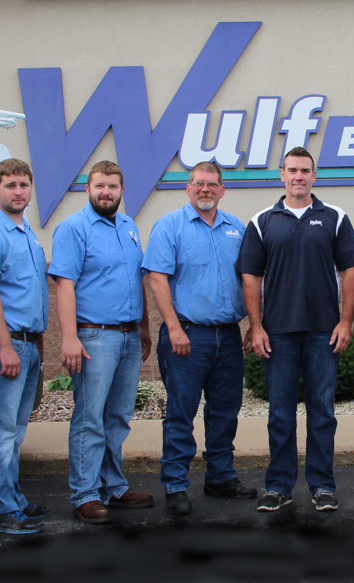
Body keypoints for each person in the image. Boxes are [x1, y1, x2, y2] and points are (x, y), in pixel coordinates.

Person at [236, 146, 354, 512]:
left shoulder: (335, 218)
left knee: (322, 411)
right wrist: (256, 326)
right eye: (292, 170)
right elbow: (250, 276)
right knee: (280, 413)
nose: (299, 176)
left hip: (324, 332)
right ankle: (278, 486)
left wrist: (344, 320)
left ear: (314, 176)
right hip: (278, 334)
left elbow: (350, 271)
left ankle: (322, 486)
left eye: (305, 170)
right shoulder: (262, 221)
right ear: (281, 174)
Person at [143, 161, 257, 516]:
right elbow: (157, 279)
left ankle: (220, 476)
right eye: (198, 184)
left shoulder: (236, 229)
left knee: (225, 411)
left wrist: (255, 324)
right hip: (187, 337)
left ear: (222, 190)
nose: (205, 189)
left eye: (212, 184)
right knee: (181, 412)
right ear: (187, 188)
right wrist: (173, 327)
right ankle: (176, 484)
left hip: (227, 336)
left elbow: (250, 279)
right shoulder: (169, 227)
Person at [47, 160, 156, 523]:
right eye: (99, 186)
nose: (106, 192)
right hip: (94, 335)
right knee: (90, 417)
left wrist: (143, 327)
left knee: (118, 416)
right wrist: (69, 338)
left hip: (127, 336)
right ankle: (85, 493)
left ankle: (114, 484)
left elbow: (135, 281)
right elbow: (64, 285)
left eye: (112, 187)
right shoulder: (73, 229)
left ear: (122, 191)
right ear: (87, 189)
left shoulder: (128, 228)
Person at [0, 158, 50, 534]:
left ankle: (13, 500)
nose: (18, 192)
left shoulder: (25, 231)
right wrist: (5, 346)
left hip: (26, 343)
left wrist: (37, 345)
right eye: (10, 185)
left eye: (23, 185)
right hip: (4, 344)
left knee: (14, 431)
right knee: (0, 432)